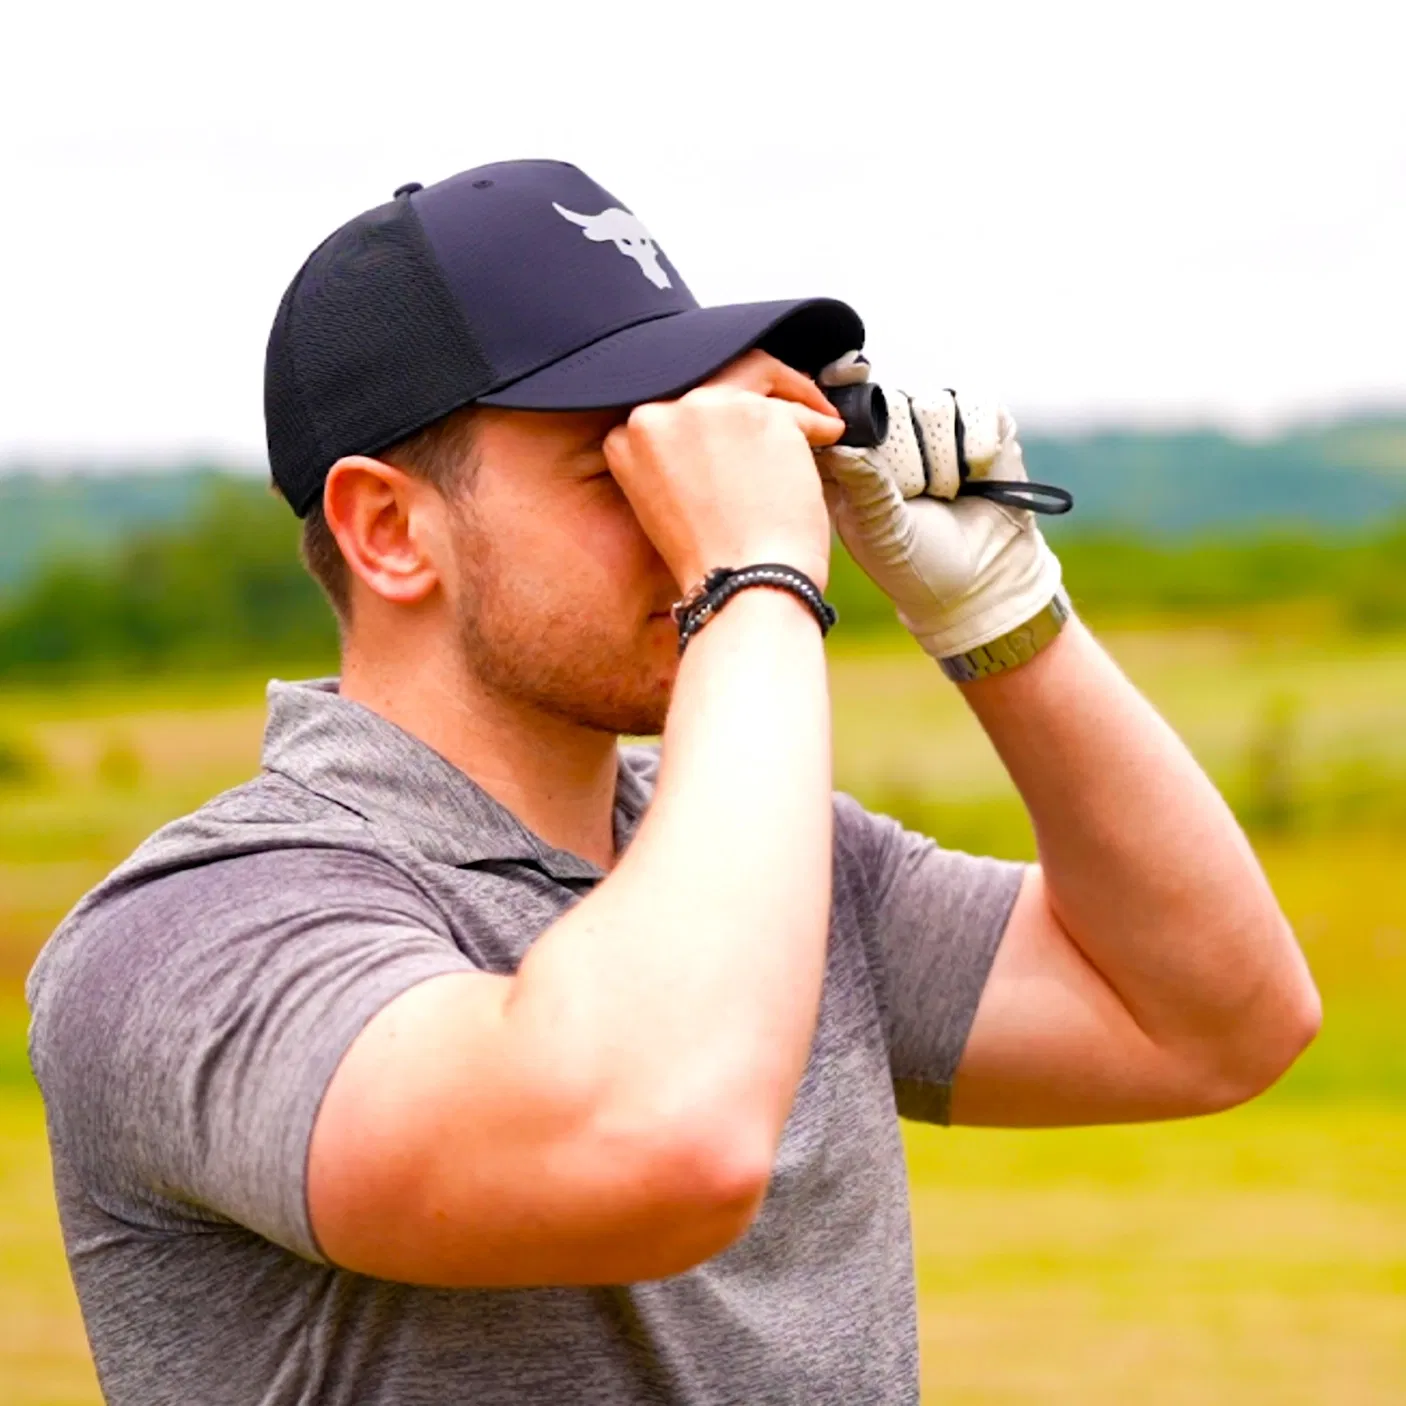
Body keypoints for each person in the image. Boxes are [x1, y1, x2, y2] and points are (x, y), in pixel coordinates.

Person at [26, 159, 1320, 1406]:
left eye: (697, 454)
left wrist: (1003, 611)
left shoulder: (771, 865)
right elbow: (653, 1135)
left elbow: (1213, 1018)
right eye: (624, 466)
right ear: (389, 529)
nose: (693, 508)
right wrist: (753, 575)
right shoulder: (190, 935)